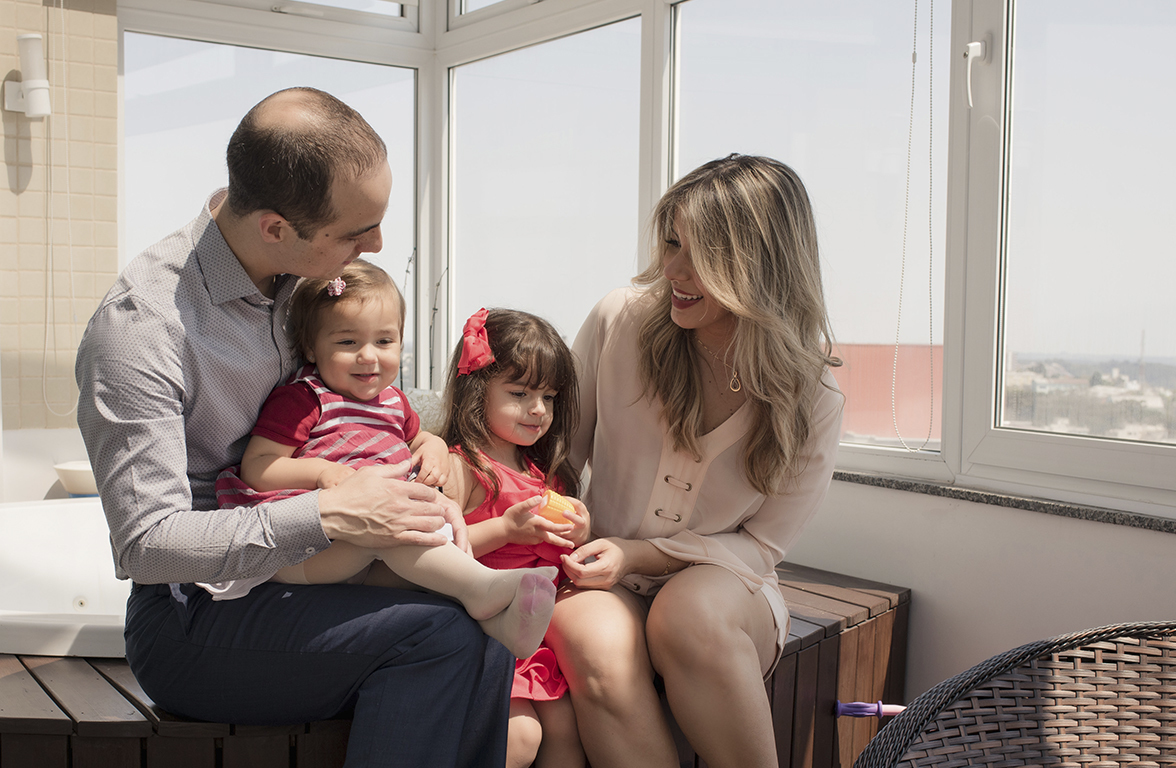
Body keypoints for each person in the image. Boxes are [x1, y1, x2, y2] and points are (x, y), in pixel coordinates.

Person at [75, 87, 512, 768]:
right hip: (196, 617)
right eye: (354, 232)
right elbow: (146, 545)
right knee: (441, 638)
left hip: (297, 579)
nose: (376, 244)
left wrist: (424, 449)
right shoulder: (142, 333)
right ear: (275, 227)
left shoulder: (300, 282)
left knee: (489, 628)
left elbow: (351, 410)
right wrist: (330, 514)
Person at [548, 154, 845, 768]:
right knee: (589, 636)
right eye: (672, 242)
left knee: (688, 615)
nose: (673, 271)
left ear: (760, 266)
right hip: (603, 575)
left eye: (702, 256)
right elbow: (557, 455)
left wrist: (643, 554)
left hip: (726, 591)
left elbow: (762, 546)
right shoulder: (619, 320)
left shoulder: (813, 396)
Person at [207, 260, 558, 659]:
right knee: (399, 533)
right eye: (347, 343)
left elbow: (418, 435)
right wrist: (326, 474)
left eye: (384, 342)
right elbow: (259, 465)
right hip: (307, 549)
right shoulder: (305, 398)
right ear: (310, 347)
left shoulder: (393, 403)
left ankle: (495, 620)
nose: (368, 357)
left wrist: (434, 445)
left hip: (372, 551)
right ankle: (482, 587)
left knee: (414, 544)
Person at [440, 308, 591, 768]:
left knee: (568, 731)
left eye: (549, 396)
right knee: (519, 738)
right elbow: (440, 549)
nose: (539, 409)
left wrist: (580, 535)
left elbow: (553, 555)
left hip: (535, 639)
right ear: (476, 391)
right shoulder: (462, 466)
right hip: (484, 632)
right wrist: (505, 528)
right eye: (520, 393)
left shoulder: (543, 474)